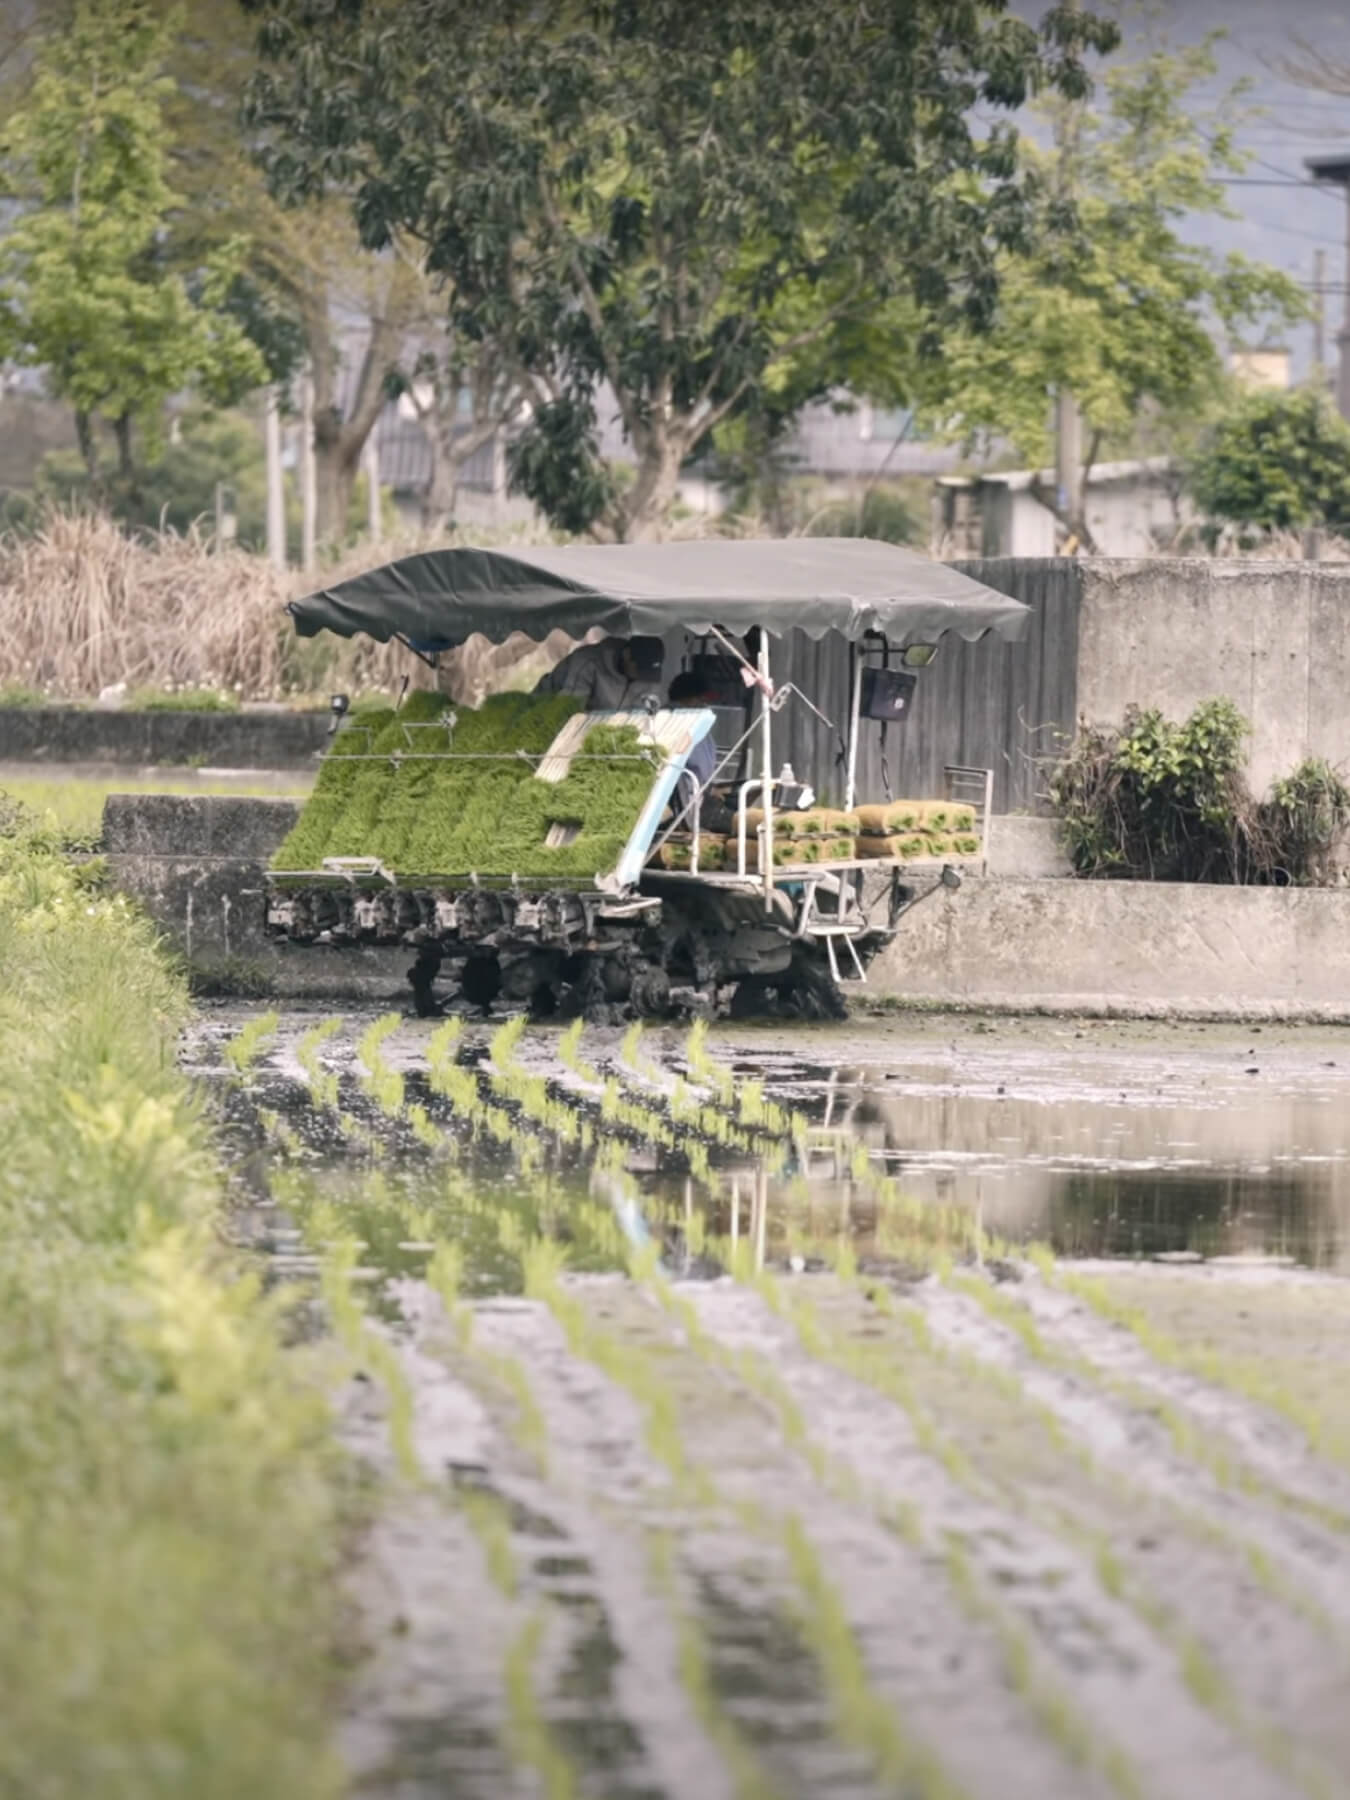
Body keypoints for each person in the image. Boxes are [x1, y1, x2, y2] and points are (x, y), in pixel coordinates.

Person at [667, 668, 732, 831]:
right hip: (682, 805)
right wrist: (708, 790)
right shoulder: (674, 721)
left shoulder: (698, 722)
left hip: (699, 795)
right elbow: (697, 768)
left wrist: (712, 789)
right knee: (733, 823)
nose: (705, 705)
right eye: (701, 700)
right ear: (687, 699)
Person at [532, 635, 665, 710]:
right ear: (626, 655)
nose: (641, 676)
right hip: (545, 714)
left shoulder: (648, 676)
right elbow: (568, 708)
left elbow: (643, 712)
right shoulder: (588, 662)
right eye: (639, 669)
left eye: (648, 673)